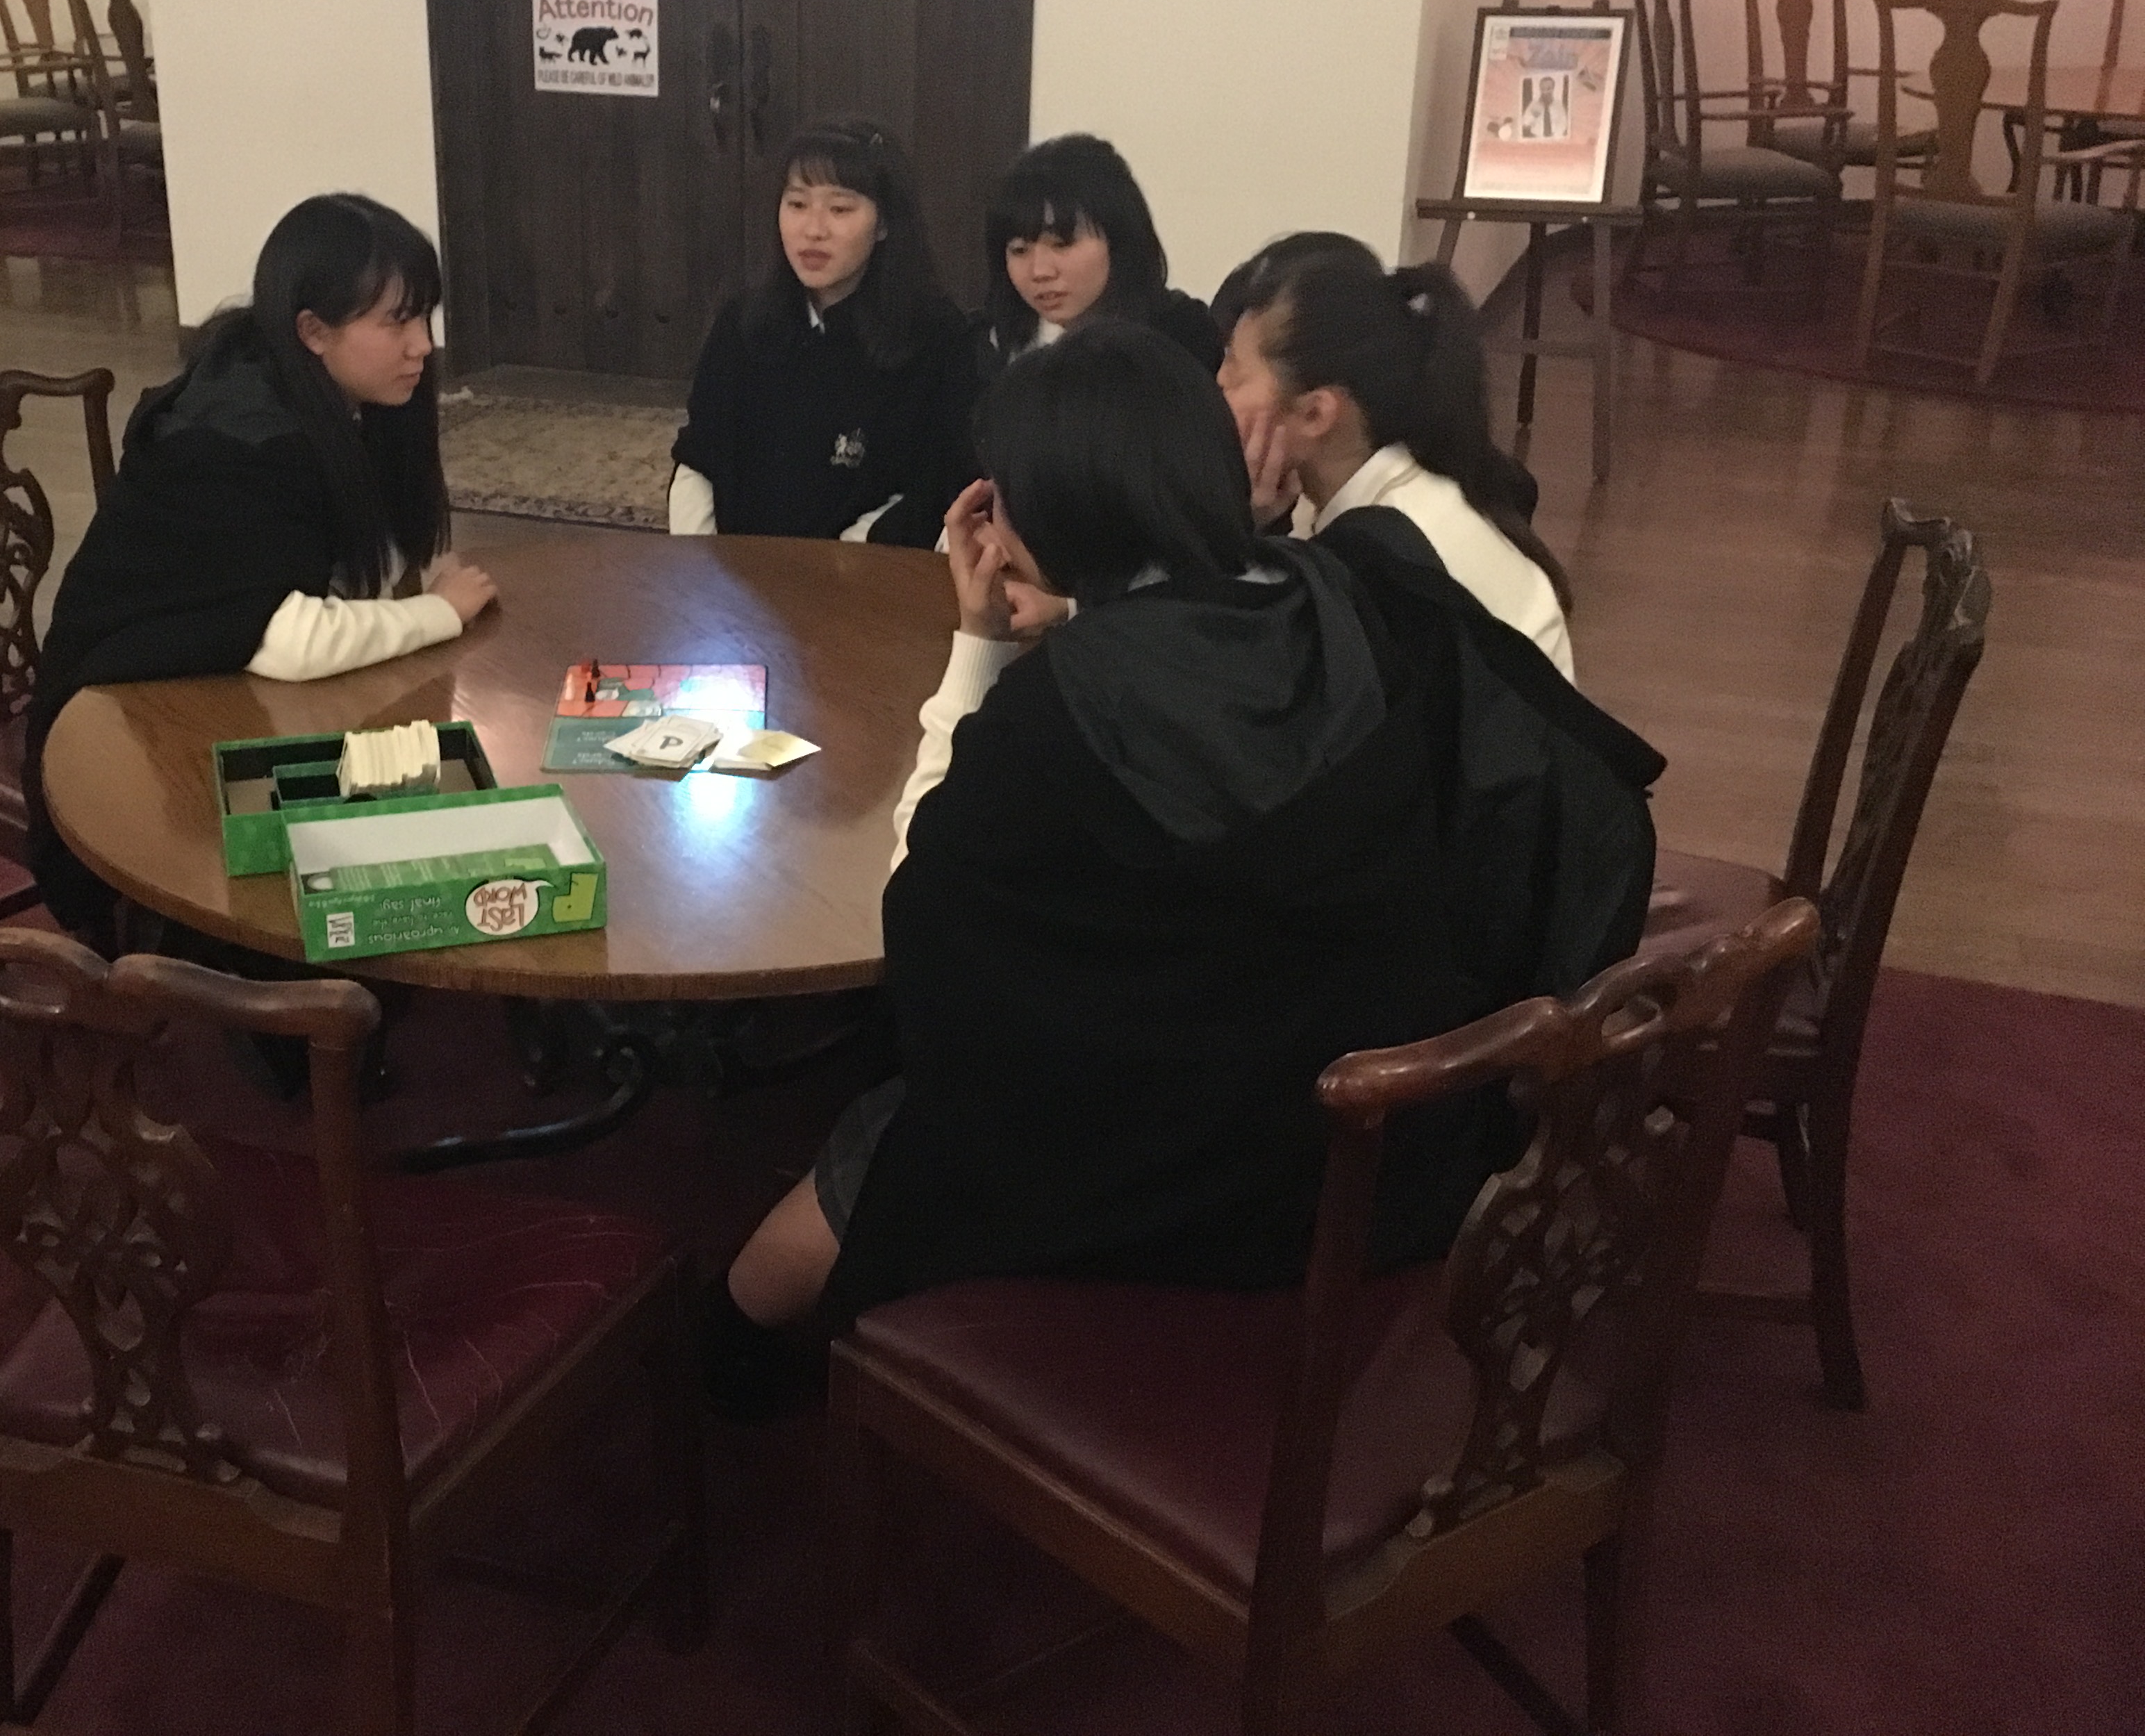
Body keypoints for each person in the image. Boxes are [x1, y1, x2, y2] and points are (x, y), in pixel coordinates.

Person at [699, 324, 1661, 1413]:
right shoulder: (1348, 592)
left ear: (1050, 515)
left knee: (791, 1247)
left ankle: (729, 1379)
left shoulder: (1058, 712)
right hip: (1388, 1143)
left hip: (1172, 1169)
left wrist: (980, 644)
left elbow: (920, 906)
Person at [24, 193, 497, 936]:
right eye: (397, 322)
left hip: (225, 694)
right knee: (390, 848)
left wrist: (417, 589)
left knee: (424, 799)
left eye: (424, 318)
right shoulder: (242, 441)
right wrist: (439, 611)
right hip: (124, 739)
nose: (422, 347)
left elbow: (375, 554)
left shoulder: (324, 397)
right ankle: (261, 987)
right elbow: (289, 638)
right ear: (314, 331)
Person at [1215, 233, 1577, 680]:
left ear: (1315, 414)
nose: (1218, 383)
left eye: (1234, 368)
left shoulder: (1396, 550)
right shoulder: (1338, 490)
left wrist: (1241, 537)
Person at [668, 117, 970, 548]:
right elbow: (699, 458)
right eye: (797, 204)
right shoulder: (744, 322)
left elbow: (938, 487)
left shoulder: (935, 337)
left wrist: (834, 567)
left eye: (840, 209)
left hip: (864, 571)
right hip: (735, 568)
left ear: (884, 223)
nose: (813, 230)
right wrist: (700, 557)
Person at [975, 133, 1223, 381]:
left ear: (1119, 238)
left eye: (1062, 244)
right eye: (1019, 250)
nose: (1040, 271)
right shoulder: (987, 347)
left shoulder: (1181, 338)